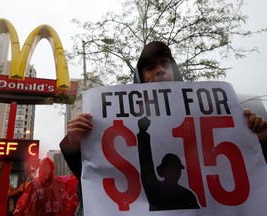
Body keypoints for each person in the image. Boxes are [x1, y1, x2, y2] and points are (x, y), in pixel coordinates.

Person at [60, 41, 267, 215]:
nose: (160, 70)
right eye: (150, 66)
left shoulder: (204, 115)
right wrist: (74, 144)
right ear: (140, 77)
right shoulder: (109, 120)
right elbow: (96, 176)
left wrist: (257, 138)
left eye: (165, 64)